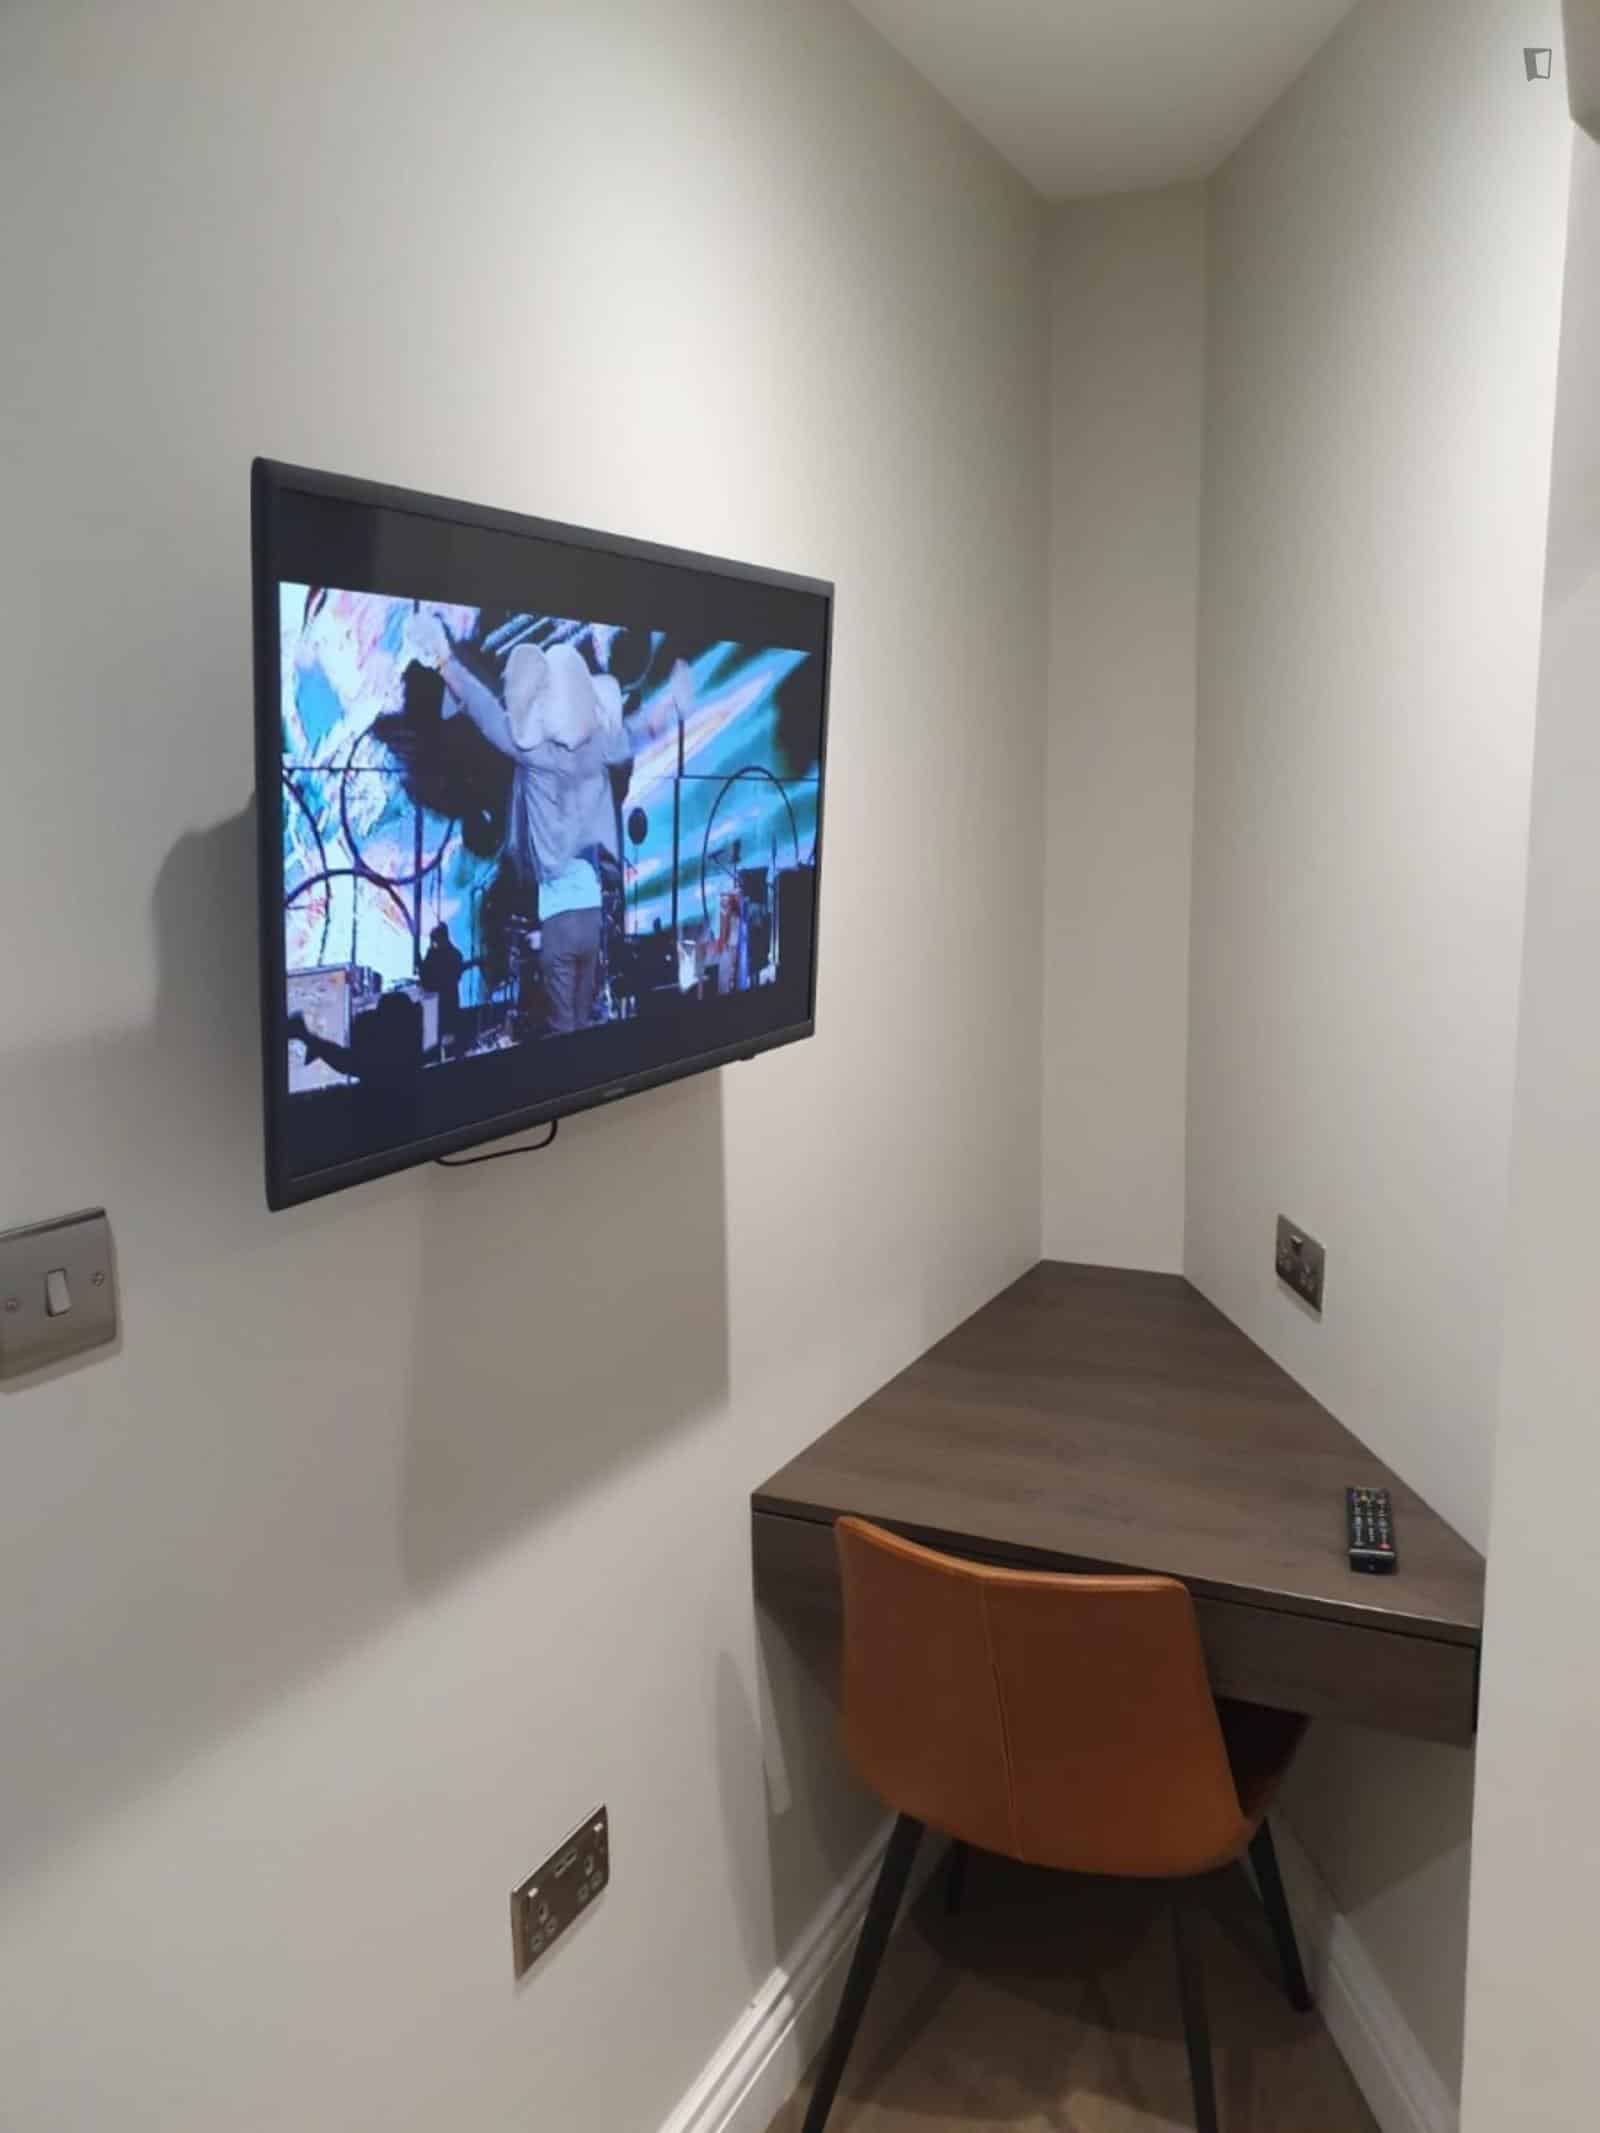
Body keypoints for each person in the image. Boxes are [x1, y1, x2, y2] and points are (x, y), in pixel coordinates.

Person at [405, 612, 685, 1036]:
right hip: (576, 905)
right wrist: (672, 705)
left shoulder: (537, 750)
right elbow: (641, 730)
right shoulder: (593, 749)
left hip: (560, 904)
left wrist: (445, 662)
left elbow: (484, 710)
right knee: (574, 1010)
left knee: (561, 1017)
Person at [418, 921, 465, 1059]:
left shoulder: (435, 955)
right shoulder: (455, 954)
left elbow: (426, 979)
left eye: (436, 940)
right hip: (447, 1003)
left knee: (442, 1041)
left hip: (442, 1003)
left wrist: (423, 963)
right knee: (446, 1040)